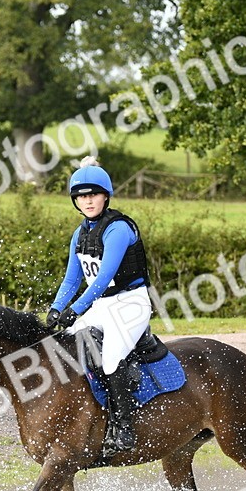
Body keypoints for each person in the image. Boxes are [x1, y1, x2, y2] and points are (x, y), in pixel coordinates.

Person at [46, 158, 152, 453]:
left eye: (93, 194)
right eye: (81, 196)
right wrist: (56, 309)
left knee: (110, 359)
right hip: (102, 305)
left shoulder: (117, 229)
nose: (88, 200)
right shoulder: (79, 234)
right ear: (75, 201)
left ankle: (124, 428)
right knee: (64, 348)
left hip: (131, 303)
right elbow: (71, 279)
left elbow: (103, 278)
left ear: (105, 196)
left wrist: (76, 310)